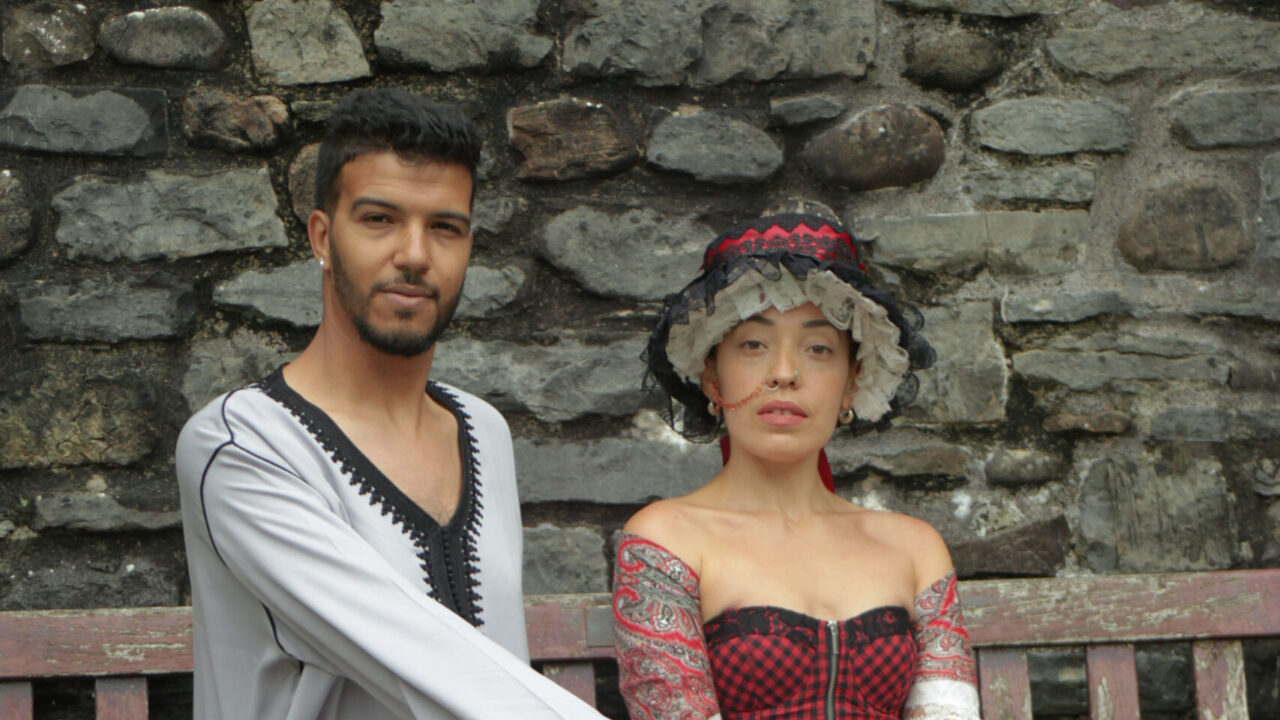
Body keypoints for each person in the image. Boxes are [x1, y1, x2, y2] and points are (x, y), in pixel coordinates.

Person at [176, 88, 604, 720]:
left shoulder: (483, 430)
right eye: (380, 219)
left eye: (444, 228)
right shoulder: (240, 447)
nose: (414, 255)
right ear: (322, 236)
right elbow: (419, 658)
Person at [612, 214, 979, 720]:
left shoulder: (915, 548)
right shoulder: (666, 540)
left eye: (819, 348)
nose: (785, 373)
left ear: (852, 381)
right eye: (754, 344)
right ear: (712, 376)